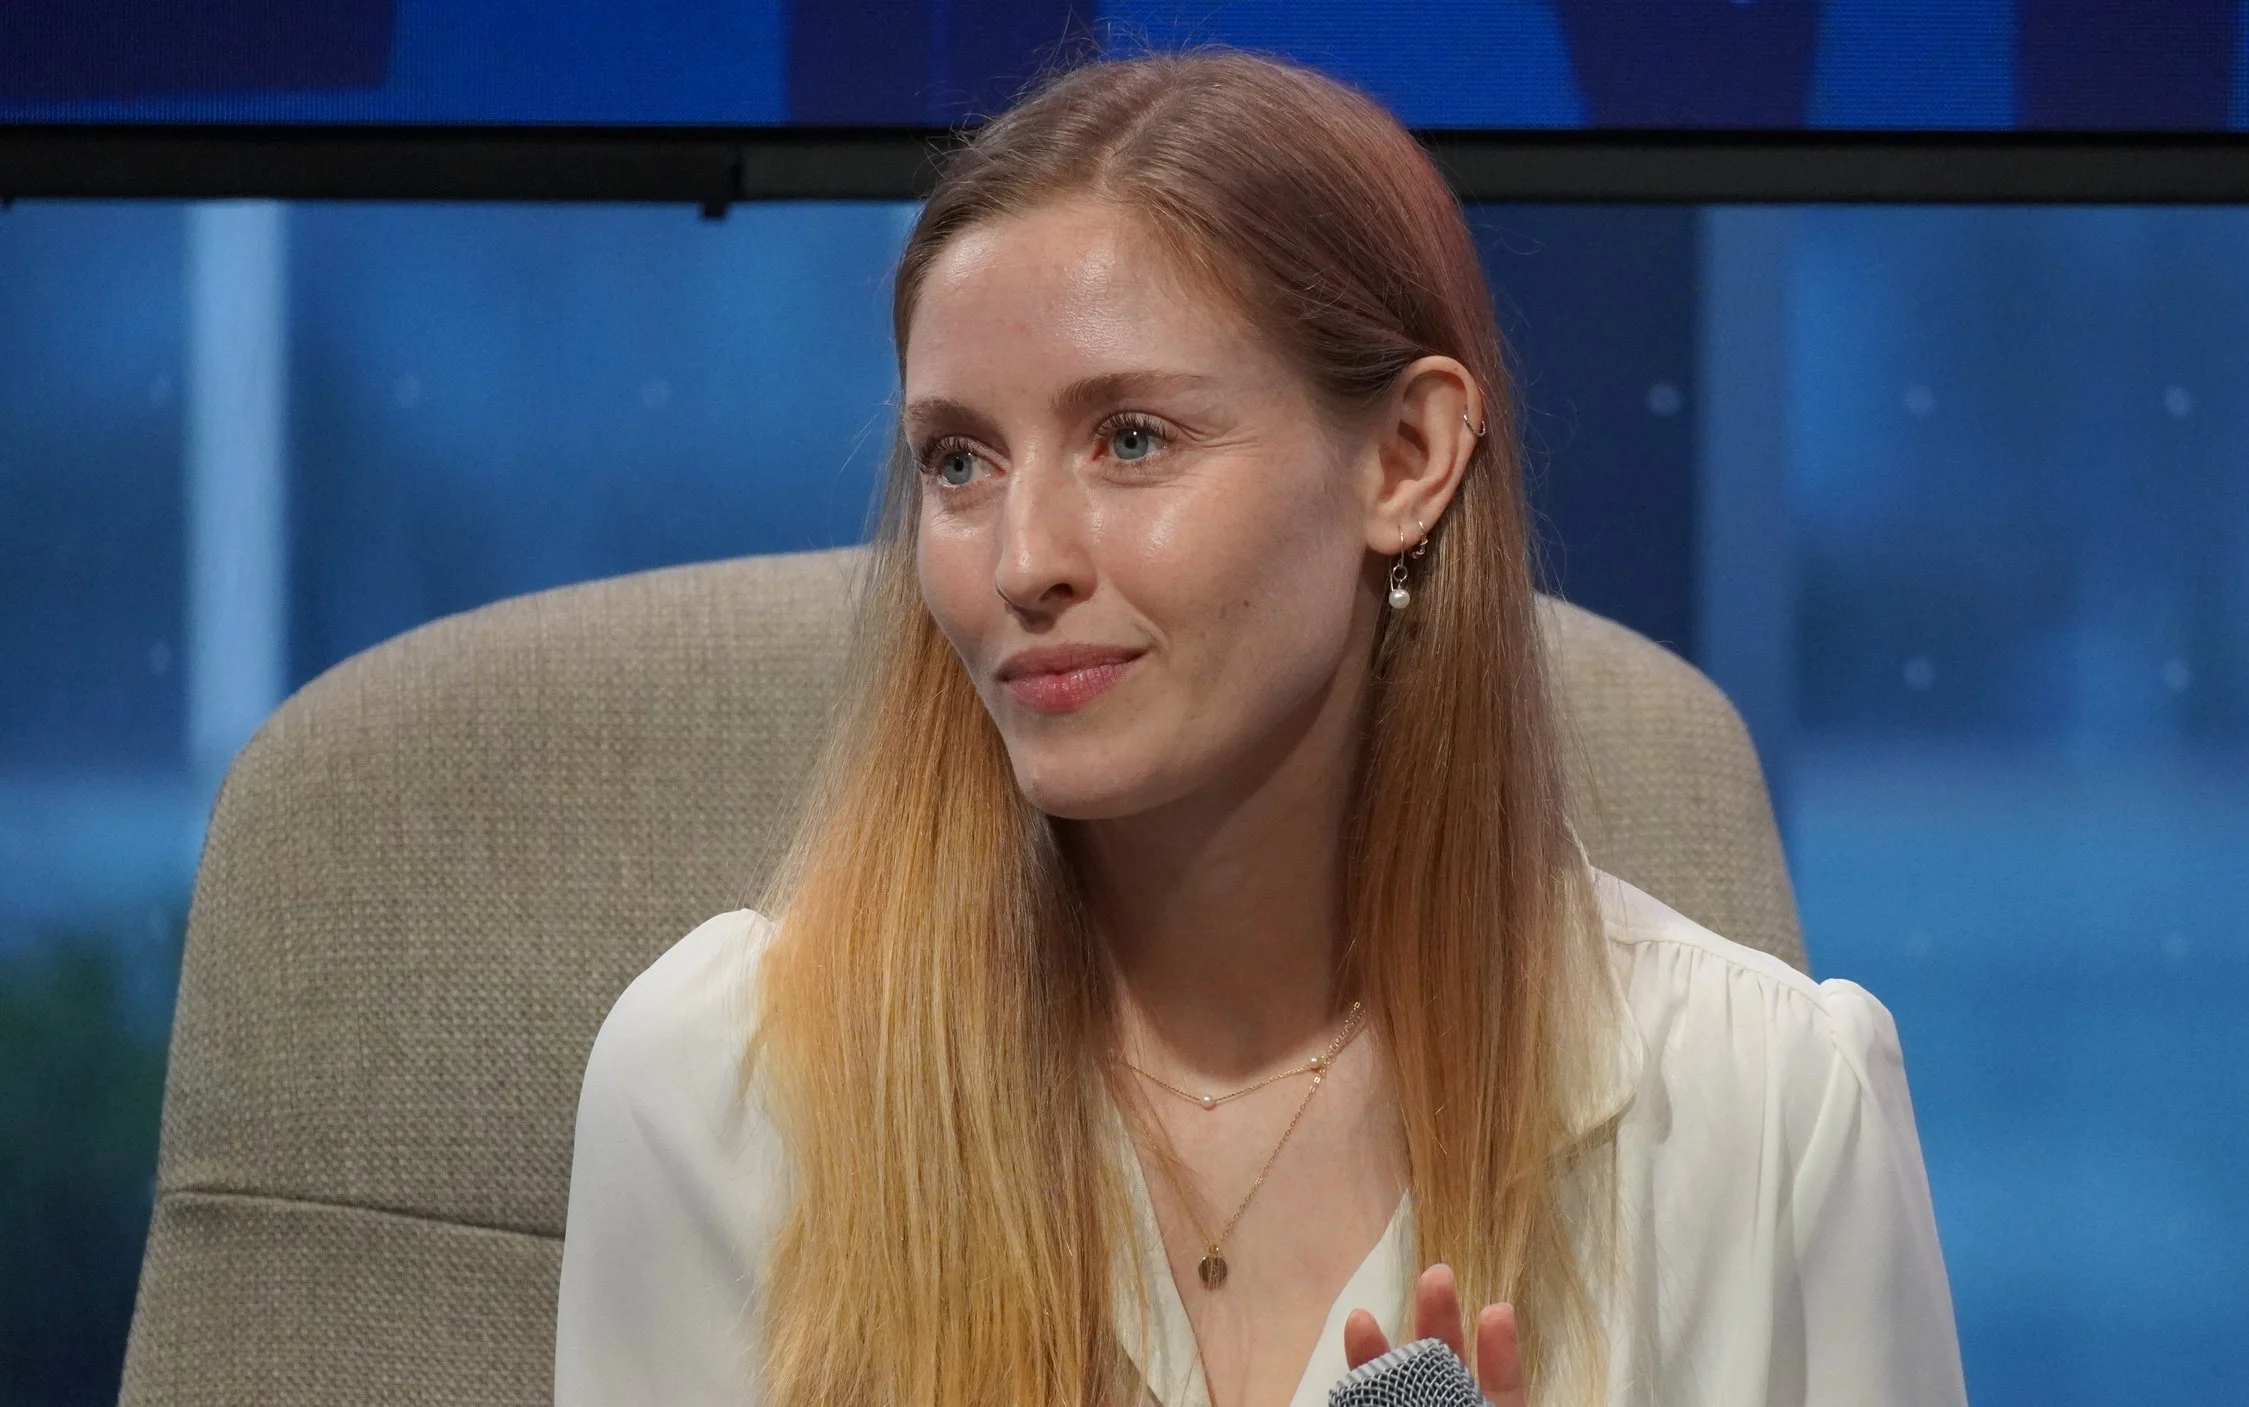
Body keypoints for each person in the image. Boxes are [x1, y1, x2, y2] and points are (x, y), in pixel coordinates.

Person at [552, 47, 1965, 1407]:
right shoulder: (724, 1089)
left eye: (1132, 439)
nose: (1020, 556)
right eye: (959, 460)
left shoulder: (1772, 1113)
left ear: (1406, 458)